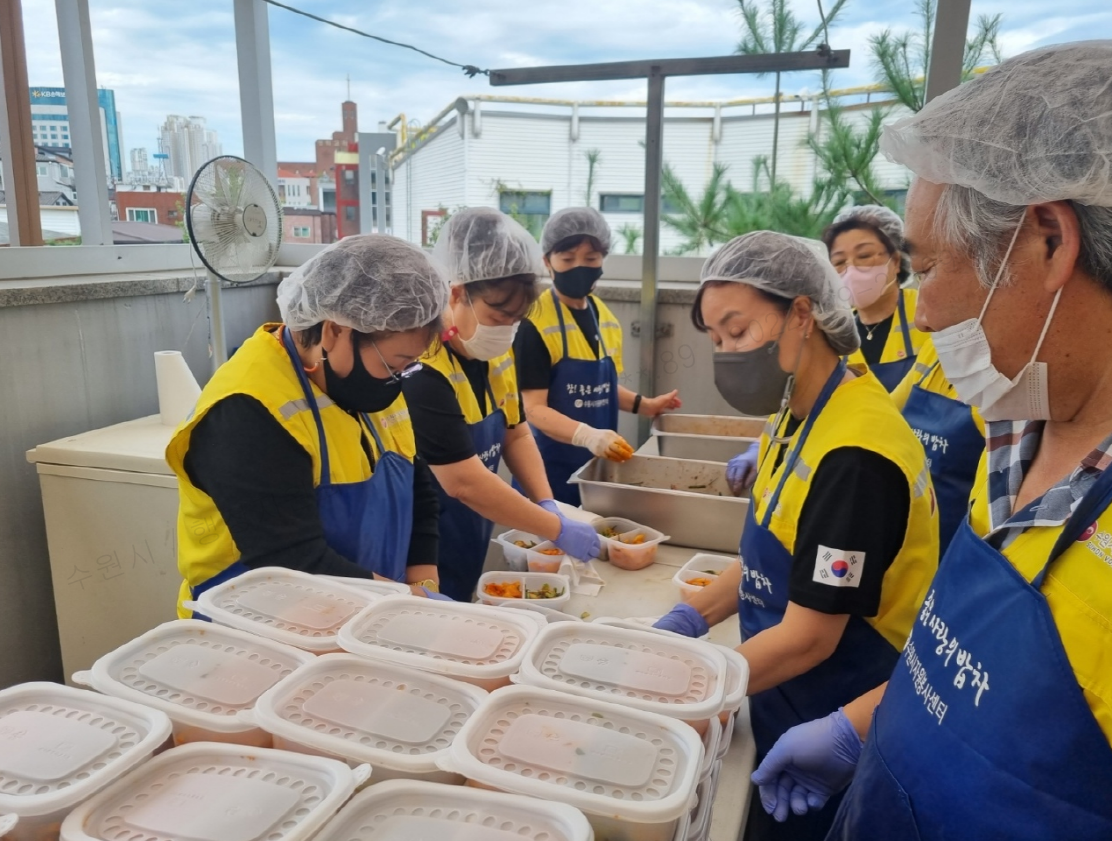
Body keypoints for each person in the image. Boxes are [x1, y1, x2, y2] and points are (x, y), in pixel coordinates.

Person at [751, 41, 1112, 841]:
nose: (918, 312)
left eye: (929, 265)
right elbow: (969, 664)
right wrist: (863, 725)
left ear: (1050, 241)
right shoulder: (1014, 430)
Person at [653, 231, 939, 841]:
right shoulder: (800, 411)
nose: (727, 351)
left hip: (831, 714)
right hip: (777, 690)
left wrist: (686, 688)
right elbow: (772, 554)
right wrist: (691, 620)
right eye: (716, 338)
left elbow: (811, 638)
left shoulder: (857, 454)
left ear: (802, 314)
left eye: (739, 330)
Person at [168, 235, 451, 617]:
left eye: (407, 366)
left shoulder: (369, 380)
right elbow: (292, 563)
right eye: (395, 364)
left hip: (363, 616)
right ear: (335, 331)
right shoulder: (248, 408)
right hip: (253, 631)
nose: (398, 379)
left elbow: (419, 496)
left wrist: (423, 588)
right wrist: (410, 605)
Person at [402, 208, 601, 601]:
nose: (506, 328)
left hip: (471, 532)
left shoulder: (496, 354)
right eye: (498, 313)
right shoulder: (422, 370)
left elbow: (516, 432)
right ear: (456, 292)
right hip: (421, 547)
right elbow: (463, 483)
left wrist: (547, 501)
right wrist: (554, 528)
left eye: (517, 318)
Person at [514, 207, 682, 505]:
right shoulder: (535, 323)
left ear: (603, 260)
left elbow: (602, 387)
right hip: (547, 473)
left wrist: (645, 405)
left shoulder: (604, 316)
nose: (580, 267)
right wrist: (587, 435)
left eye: (590, 259)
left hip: (595, 472)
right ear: (547, 262)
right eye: (567, 259)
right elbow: (533, 409)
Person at [890, 336, 985, 553]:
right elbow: (886, 412)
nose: (922, 322)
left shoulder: (1003, 372)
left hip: (953, 540)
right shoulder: (935, 348)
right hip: (906, 523)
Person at [822, 205, 926, 391]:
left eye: (864, 256)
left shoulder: (928, 315)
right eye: (839, 262)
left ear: (895, 261)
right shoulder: (833, 333)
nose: (851, 269)